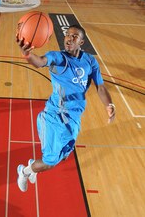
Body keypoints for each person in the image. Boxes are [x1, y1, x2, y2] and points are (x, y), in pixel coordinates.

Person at [15, 24, 116, 192]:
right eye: (67, 35)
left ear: (82, 42)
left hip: (74, 118)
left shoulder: (90, 61)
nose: (69, 38)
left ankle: (33, 167)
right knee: (49, 161)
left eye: (74, 36)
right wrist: (27, 54)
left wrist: (109, 104)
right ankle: (25, 172)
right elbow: (40, 62)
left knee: (61, 157)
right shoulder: (58, 57)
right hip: (54, 115)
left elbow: (101, 87)